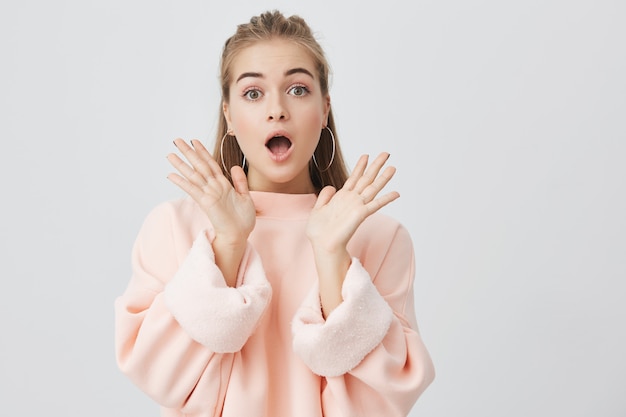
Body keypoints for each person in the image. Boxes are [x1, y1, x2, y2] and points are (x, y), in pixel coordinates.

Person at [114, 9, 435, 417]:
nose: (277, 110)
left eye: (298, 89)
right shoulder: (174, 226)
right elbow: (159, 377)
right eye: (253, 93)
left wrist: (332, 254)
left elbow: (378, 405)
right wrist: (228, 244)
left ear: (324, 110)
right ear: (228, 114)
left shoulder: (380, 237)